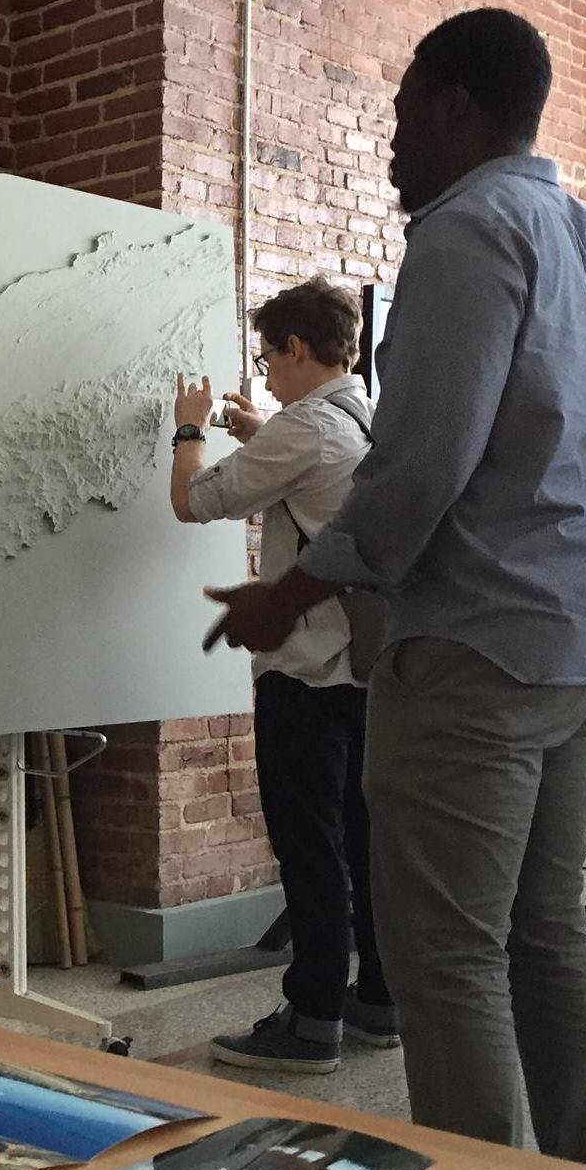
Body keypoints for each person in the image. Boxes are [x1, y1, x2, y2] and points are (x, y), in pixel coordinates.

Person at [201, 8, 586, 1169]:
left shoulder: (464, 235)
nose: (393, 140)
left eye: (404, 109)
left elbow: (416, 473)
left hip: (474, 653)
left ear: (457, 104)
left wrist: (289, 590)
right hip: (580, 650)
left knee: (443, 956)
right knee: (542, 938)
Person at [169, 278, 396, 1073]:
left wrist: (188, 429)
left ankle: (310, 1021)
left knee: (309, 846)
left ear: (297, 348)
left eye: (267, 356)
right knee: (363, 842)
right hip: (368, 674)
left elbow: (194, 500)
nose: (263, 373)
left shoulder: (302, 429)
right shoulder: (364, 417)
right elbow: (319, 474)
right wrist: (262, 429)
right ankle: (377, 1001)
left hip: (305, 671)